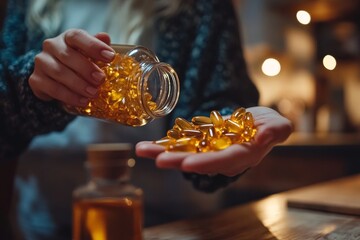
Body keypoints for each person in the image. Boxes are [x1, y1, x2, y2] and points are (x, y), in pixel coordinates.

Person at [0, 0, 292, 238]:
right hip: (42, 222)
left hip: (177, 225)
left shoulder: (202, 6)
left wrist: (229, 128)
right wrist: (33, 87)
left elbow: (219, 102)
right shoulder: (26, 6)